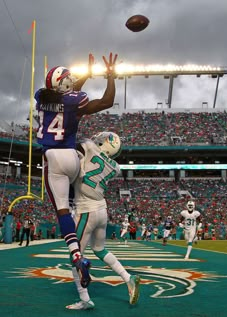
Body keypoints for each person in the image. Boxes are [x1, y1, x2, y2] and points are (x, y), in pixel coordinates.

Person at [34, 52, 118, 287]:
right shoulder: (74, 102)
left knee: (62, 211)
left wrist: (86, 75)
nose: (72, 81)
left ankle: (77, 254)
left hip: (53, 157)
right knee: (74, 205)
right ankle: (87, 232)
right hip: (72, 157)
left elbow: (62, 95)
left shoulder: (40, 96)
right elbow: (106, 101)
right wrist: (110, 76)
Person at [66, 132, 140, 310]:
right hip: (102, 209)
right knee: (99, 249)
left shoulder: (89, 146)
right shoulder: (115, 167)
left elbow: (72, 150)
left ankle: (85, 299)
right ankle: (128, 278)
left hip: (86, 210)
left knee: (75, 257)